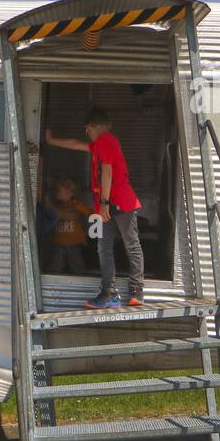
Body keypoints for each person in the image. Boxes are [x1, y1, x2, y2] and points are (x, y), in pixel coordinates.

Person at [43, 107, 145, 308]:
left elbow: (107, 171)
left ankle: (136, 290)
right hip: (105, 206)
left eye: (87, 131)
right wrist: (52, 141)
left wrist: (105, 203)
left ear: (90, 127)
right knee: (103, 247)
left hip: (120, 203)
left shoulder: (106, 140)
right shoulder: (98, 144)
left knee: (129, 244)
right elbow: (76, 144)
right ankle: (110, 294)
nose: (87, 135)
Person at [42, 176, 89, 275]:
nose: (56, 192)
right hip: (58, 244)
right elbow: (49, 208)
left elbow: (90, 214)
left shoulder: (77, 205)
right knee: (55, 268)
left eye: (59, 190)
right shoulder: (56, 205)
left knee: (78, 268)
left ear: (69, 192)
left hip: (74, 244)